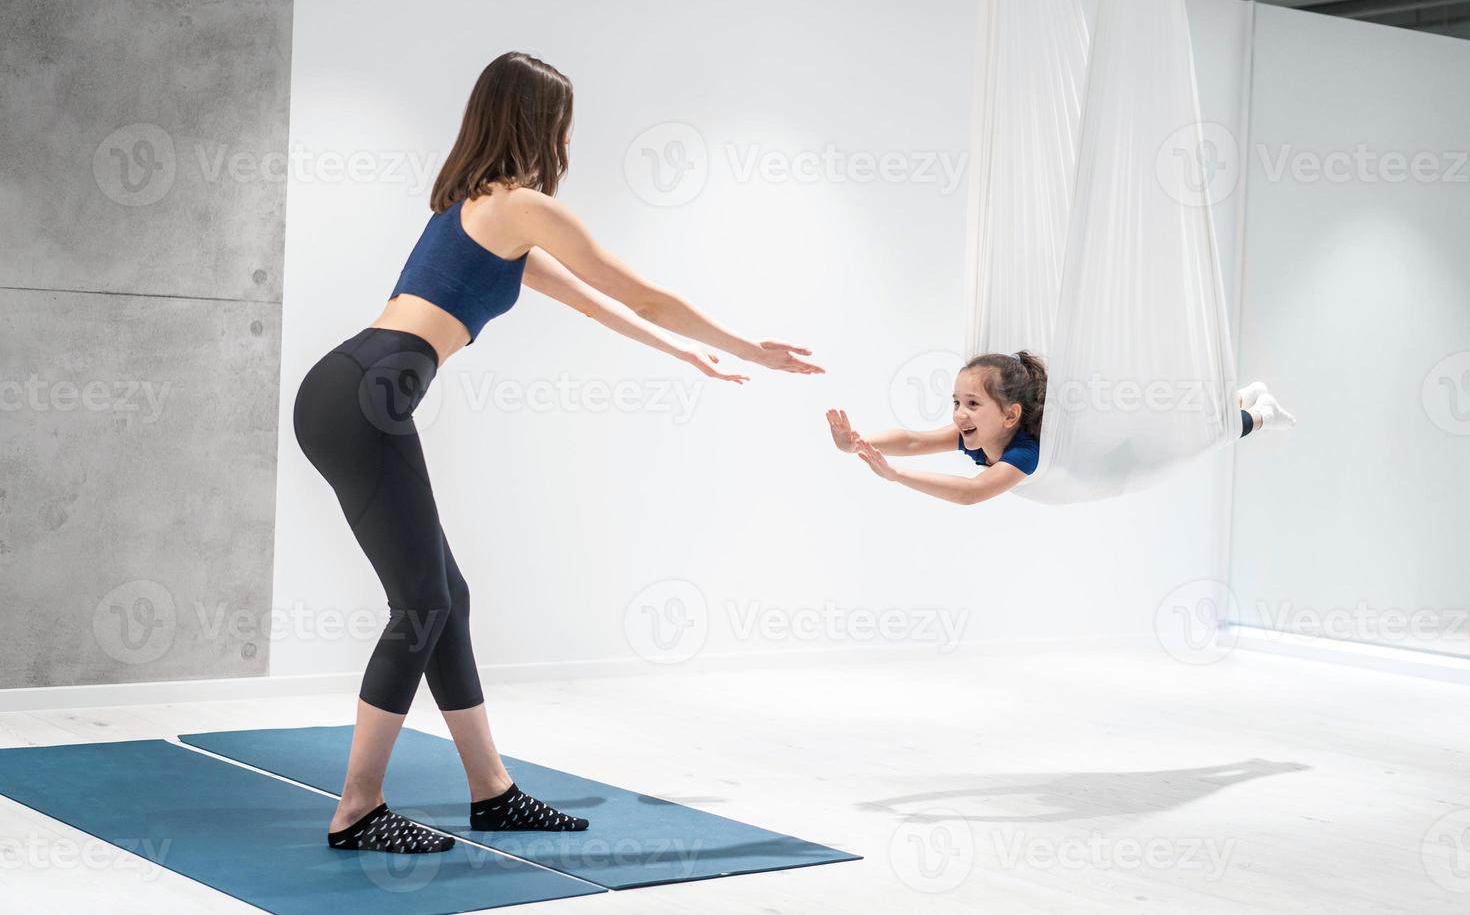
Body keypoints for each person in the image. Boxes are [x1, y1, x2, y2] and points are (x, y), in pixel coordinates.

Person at [293, 52, 823, 853]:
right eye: (564, 120)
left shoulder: (479, 211)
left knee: (446, 598)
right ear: (542, 123)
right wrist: (748, 343)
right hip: (364, 400)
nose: (570, 136)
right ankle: (358, 806)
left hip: (350, 390)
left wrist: (691, 357)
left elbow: (602, 305)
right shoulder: (523, 204)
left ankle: (492, 791)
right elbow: (640, 289)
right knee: (422, 605)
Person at [826, 352, 1293, 506]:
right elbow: (911, 439)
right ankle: (1240, 397)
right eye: (956, 403)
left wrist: (896, 477)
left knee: (1202, 436)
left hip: (1126, 461)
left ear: (1010, 415)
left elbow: (972, 493)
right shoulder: (979, 434)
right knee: (1191, 425)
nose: (958, 415)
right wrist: (855, 444)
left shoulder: (1024, 452)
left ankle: (1259, 412)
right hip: (1113, 443)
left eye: (971, 404)